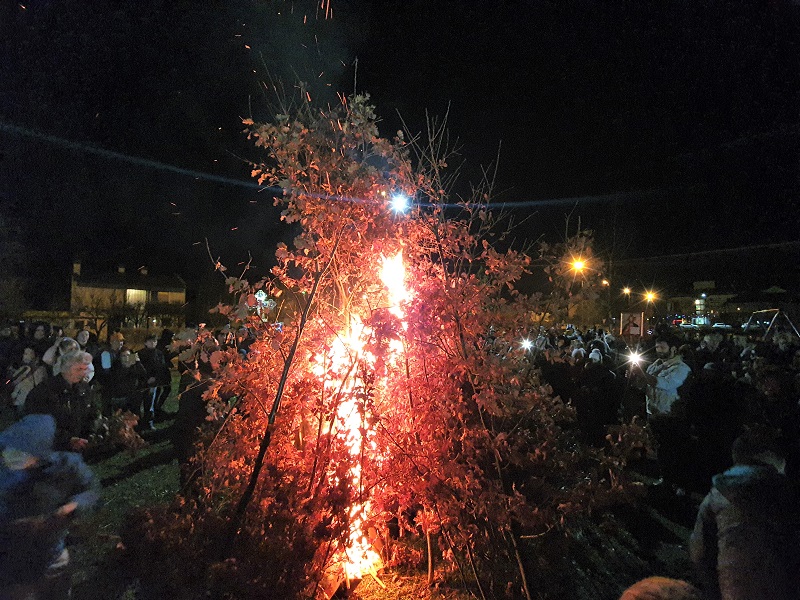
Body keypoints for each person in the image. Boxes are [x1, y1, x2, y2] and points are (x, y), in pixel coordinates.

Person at [689, 431, 800, 600]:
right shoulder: (787, 492)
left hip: (734, 589)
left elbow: (699, 553)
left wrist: (715, 589)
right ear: (769, 456)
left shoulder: (715, 497)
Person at [0, 414, 100, 599]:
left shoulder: (66, 465)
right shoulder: (5, 474)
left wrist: (73, 508)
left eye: (22, 451)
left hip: (53, 557)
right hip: (14, 566)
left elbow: (91, 490)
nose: (11, 456)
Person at [25, 351, 95, 452]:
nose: (83, 373)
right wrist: (67, 440)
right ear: (65, 369)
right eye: (78, 369)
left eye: (84, 369)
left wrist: (91, 433)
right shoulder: (44, 391)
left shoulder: (83, 389)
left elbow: (91, 413)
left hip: (78, 448)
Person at [138, 334, 172, 423]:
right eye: (150, 341)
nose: (153, 343)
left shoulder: (159, 354)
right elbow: (138, 367)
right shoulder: (140, 353)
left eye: (154, 341)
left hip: (154, 382)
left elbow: (162, 367)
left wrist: (156, 378)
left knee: (150, 403)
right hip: (142, 381)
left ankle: (149, 421)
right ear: (145, 343)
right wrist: (146, 378)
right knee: (139, 403)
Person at [9, 346, 48, 416]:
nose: (24, 355)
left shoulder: (26, 369)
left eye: (27, 354)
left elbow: (13, 382)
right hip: (31, 401)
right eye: (24, 353)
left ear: (34, 356)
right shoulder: (42, 369)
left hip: (23, 401)